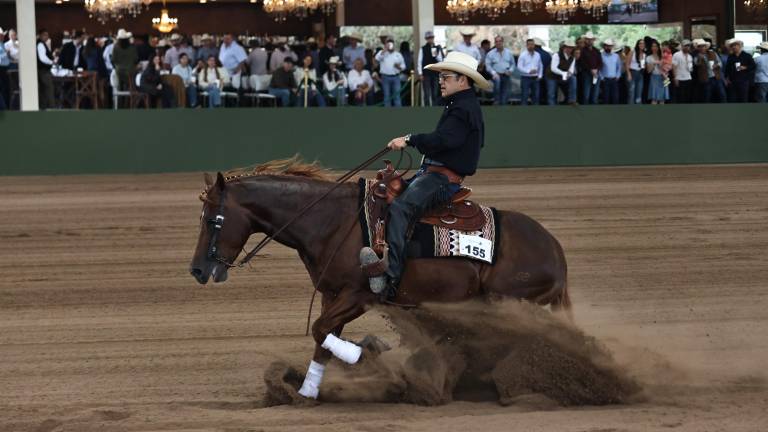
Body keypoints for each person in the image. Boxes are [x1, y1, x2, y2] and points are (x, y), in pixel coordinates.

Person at [368, 51, 491, 300]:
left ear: (463, 80)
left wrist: (410, 139)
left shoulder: (462, 109)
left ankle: (391, 280)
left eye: (446, 77)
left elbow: (445, 140)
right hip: (434, 175)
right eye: (440, 77)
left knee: (401, 208)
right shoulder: (461, 106)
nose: (441, 81)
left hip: (441, 180)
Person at [485, 36, 515, 105]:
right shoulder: (490, 53)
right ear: (495, 43)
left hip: (506, 75)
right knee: (497, 85)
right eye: (496, 41)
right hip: (496, 75)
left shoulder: (508, 52)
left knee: (505, 96)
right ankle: (496, 101)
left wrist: (510, 70)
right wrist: (493, 73)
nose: (498, 43)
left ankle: (503, 107)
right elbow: (488, 65)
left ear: (502, 42)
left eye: (500, 41)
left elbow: (513, 64)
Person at [375, 37, 405, 107]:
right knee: (387, 96)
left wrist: (399, 67)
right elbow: (377, 58)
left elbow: (404, 66)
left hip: (396, 77)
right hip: (385, 77)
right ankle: (387, 114)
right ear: (386, 44)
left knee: (397, 96)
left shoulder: (398, 54)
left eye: (391, 43)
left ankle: (398, 114)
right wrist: (384, 50)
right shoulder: (382, 53)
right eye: (388, 43)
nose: (390, 45)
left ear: (394, 44)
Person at [547, 38, 577, 105]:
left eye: (571, 48)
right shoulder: (556, 55)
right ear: (564, 47)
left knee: (573, 78)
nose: (570, 49)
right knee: (551, 94)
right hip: (552, 76)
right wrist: (563, 73)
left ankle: (572, 100)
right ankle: (552, 109)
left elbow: (571, 70)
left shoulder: (572, 58)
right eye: (568, 47)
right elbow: (553, 68)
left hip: (562, 76)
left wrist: (569, 74)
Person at [418, 30, 444, 107]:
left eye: (432, 37)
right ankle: (427, 109)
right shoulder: (422, 49)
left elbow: (441, 60)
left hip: (435, 73)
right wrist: (420, 73)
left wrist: (436, 55)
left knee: (435, 93)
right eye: (429, 38)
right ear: (426, 39)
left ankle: (434, 109)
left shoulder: (437, 48)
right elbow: (419, 61)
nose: (430, 39)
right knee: (426, 93)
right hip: (426, 74)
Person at [725, 39, 756, 103]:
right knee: (732, 99)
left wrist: (745, 67)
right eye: (732, 46)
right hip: (732, 81)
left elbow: (753, 66)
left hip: (743, 81)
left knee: (743, 99)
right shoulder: (731, 57)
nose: (733, 47)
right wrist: (726, 78)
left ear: (740, 46)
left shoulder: (747, 56)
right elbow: (727, 68)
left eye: (735, 45)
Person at [517, 38, 543, 105]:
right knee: (524, 96)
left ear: (534, 45)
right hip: (525, 78)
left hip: (535, 78)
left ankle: (535, 113)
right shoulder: (523, 55)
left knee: (536, 96)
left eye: (532, 44)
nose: (531, 46)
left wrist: (540, 75)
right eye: (529, 44)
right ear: (526, 45)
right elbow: (519, 67)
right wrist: (528, 71)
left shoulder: (538, 55)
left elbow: (541, 65)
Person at [578, 31, 602, 104]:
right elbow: (582, 63)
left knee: (595, 95)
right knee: (586, 95)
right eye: (588, 39)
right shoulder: (582, 50)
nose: (589, 41)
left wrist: (596, 69)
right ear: (585, 40)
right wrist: (590, 70)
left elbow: (600, 62)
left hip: (596, 74)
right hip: (586, 74)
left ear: (593, 40)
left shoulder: (597, 50)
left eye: (591, 39)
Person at [36, 29, 55, 109]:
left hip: (42, 71)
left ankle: (44, 107)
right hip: (44, 71)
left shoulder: (42, 44)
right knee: (48, 89)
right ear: (40, 35)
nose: (47, 37)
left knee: (44, 91)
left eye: (47, 35)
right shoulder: (40, 44)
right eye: (45, 35)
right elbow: (42, 58)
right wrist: (52, 62)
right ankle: (51, 107)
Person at [599, 39, 622, 104]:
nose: (608, 47)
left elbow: (619, 67)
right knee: (606, 98)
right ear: (604, 46)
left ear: (612, 47)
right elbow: (598, 68)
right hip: (605, 80)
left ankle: (615, 113)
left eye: (610, 46)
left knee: (615, 98)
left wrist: (618, 76)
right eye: (607, 46)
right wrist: (602, 78)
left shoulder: (616, 56)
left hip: (614, 79)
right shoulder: (600, 55)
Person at [671, 39, 694, 103]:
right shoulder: (677, 54)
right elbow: (674, 67)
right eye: (685, 45)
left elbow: (690, 68)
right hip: (680, 79)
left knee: (688, 97)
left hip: (688, 78)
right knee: (680, 97)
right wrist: (675, 78)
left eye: (688, 46)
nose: (687, 47)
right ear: (682, 46)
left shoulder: (690, 56)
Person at [626, 39, 646, 104]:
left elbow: (643, 66)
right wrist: (628, 74)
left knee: (639, 93)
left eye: (643, 43)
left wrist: (644, 66)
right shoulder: (632, 52)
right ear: (637, 44)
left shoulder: (644, 54)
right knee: (631, 93)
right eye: (640, 43)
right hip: (632, 73)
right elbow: (627, 63)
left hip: (640, 74)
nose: (642, 45)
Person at [534, 38, 552, 105]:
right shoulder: (547, 54)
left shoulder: (534, 54)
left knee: (537, 93)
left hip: (536, 76)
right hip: (546, 76)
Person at [0, 28, 10, 108]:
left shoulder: (2, 44)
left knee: (6, 88)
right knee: (3, 88)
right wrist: (5, 53)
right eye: (1, 35)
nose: (3, 37)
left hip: (5, 69)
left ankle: (6, 106)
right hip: (1, 69)